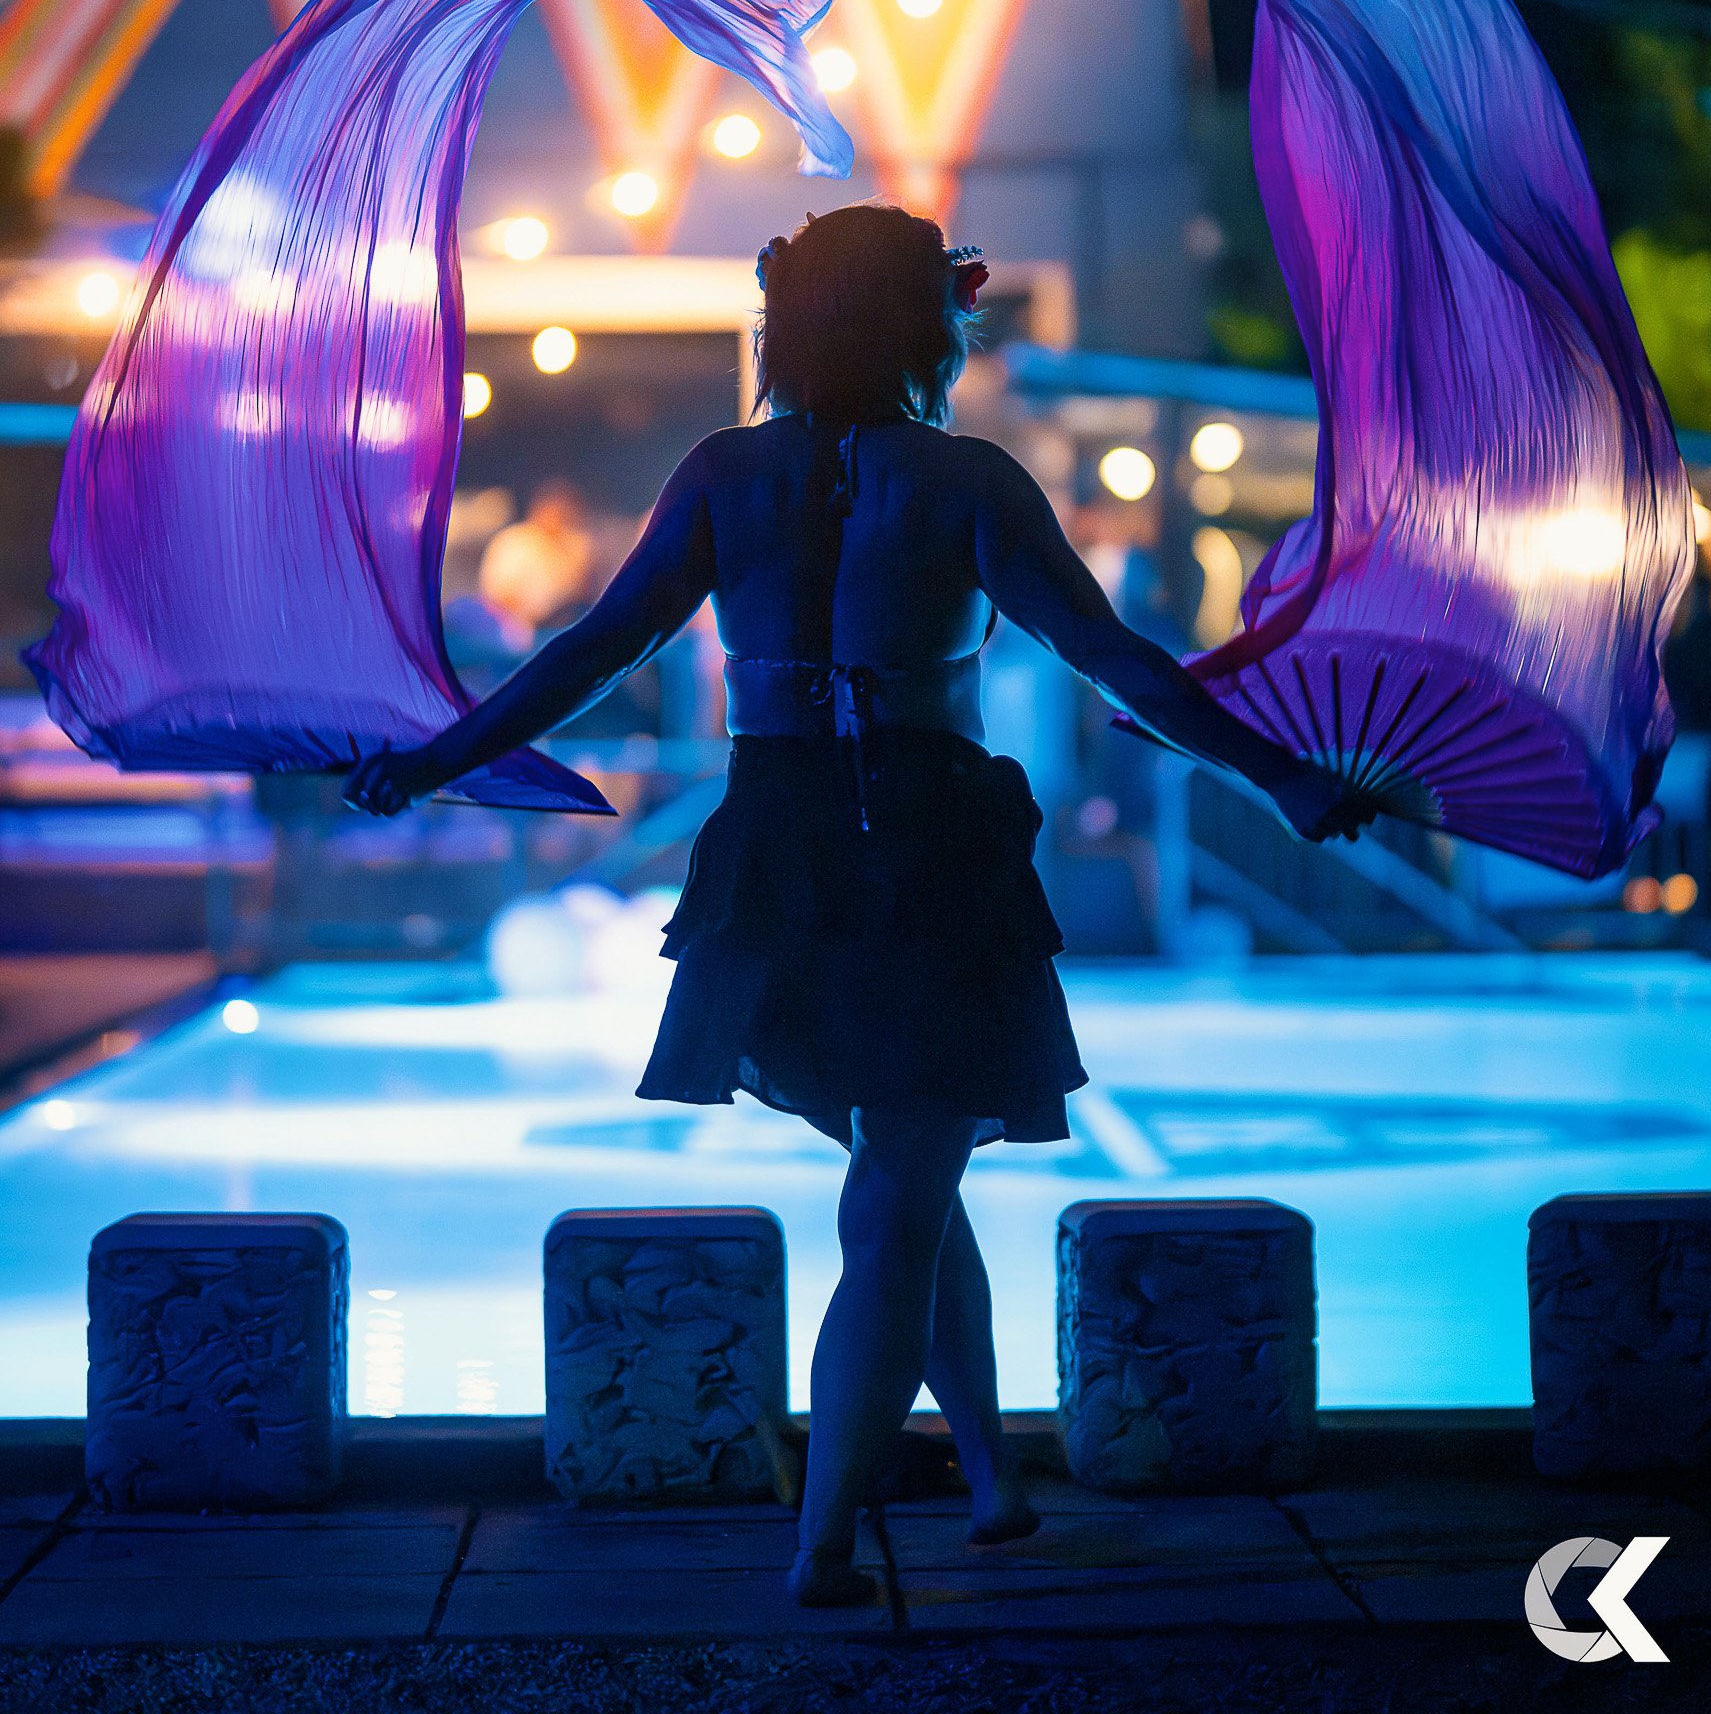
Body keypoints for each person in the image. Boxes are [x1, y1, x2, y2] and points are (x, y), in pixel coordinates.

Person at [345, 204, 1370, 1605]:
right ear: (922, 322)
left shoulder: (724, 475)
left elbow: (593, 648)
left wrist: (435, 759)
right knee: (902, 1192)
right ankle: (824, 1545)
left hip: (777, 847)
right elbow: (1113, 659)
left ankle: (996, 1484)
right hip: (924, 846)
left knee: (902, 1183)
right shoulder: (963, 484)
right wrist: (1283, 777)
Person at [477, 478, 596, 650]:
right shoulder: (516, 539)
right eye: (557, 510)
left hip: (560, 628)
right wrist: (526, 619)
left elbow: (581, 593)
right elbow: (499, 594)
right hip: (512, 628)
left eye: (568, 511)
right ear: (540, 508)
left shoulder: (573, 545)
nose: (562, 517)